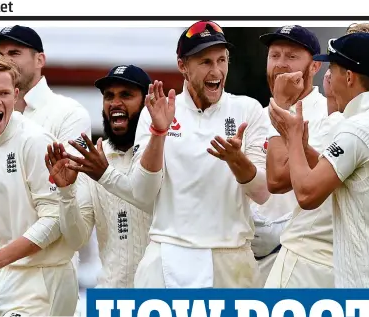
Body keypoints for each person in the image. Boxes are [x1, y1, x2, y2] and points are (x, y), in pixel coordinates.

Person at [89, 20, 270, 288]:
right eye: (206, 62)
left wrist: (237, 161)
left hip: (232, 257)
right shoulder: (159, 112)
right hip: (168, 255)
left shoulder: (248, 110)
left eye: (222, 60)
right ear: (183, 66)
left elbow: (262, 193)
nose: (217, 70)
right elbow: (143, 193)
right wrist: (159, 133)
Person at [0, 25, 91, 314]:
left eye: (3, 93)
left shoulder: (36, 138)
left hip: (44, 278)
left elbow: (54, 220)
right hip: (3, 279)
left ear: (15, 96)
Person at [269, 32, 369, 288]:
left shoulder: (357, 128)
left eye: (333, 69)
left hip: (364, 286)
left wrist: (293, 137)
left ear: (349, 76)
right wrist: (304, 148)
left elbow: (307, 194)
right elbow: (343, 172)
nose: (327, 77)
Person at [44, 65, 154, 288]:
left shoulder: (162, 152)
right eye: (109, 96)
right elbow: (77, 240)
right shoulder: (91, 159)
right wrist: (66, 193)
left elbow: (153, 201)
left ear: (148, 102)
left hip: (164, 296)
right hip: (111, 296)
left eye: (126, 95)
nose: (115, 103)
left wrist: (105, 174)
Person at [251, 25, 335, 287]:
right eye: (274, 56)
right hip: (250, 257)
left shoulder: (328, 114)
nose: (280, 65)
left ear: (314, 67)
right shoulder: (255, 113)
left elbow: (278, 182)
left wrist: (281, 104)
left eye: (292, 56)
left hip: (302, 258)